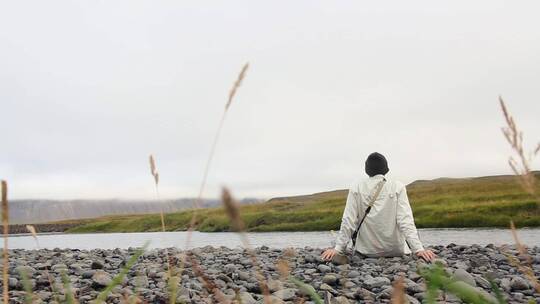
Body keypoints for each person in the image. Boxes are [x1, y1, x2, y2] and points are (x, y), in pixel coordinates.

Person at [321, 152, 435, 262]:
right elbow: (405, 220)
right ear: (386, 169)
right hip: (395, 250)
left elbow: (349, 220)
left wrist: (338, 249)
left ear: (367, 170)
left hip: (366, 251)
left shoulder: (356, 187)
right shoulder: (398, 186)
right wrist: (418, 249)